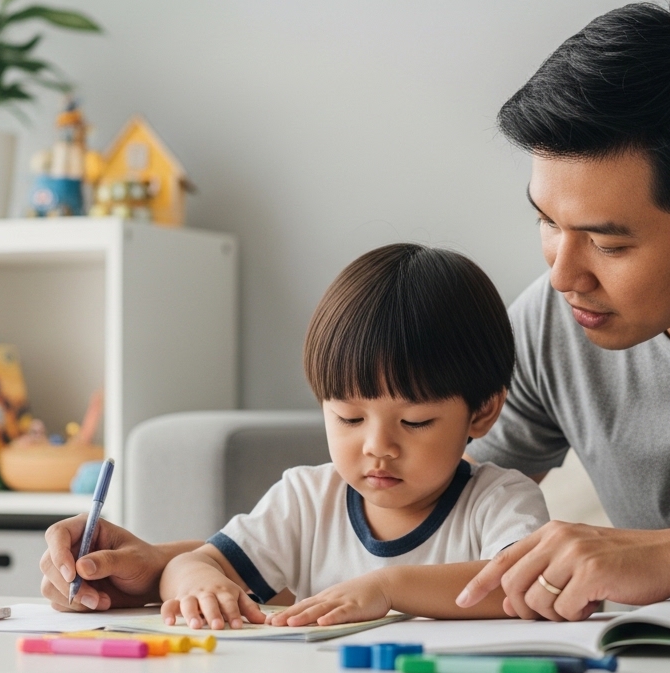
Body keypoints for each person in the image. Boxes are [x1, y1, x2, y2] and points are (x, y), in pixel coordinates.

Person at [40, 2, 670, 673]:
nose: (562, 273)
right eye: (544, 223)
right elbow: (425, 507)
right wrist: (182, 564)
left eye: (609, 239)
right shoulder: (558, 322)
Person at [161, 243, 549, 630]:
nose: (378, 446)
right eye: (349, 418)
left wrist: (388, 587)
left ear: (482, 412)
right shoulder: (307, 501)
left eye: (414, 422)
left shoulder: (501, 501)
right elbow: (191, 563)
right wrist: (202, 584)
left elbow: (523, 587)